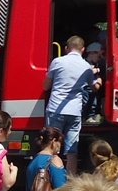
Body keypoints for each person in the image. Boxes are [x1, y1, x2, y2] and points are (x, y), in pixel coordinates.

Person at [38, 35, 93, 174]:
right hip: (75, 111)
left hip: (56, 108)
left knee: (51, 145)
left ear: (66, 48)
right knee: (72, 150)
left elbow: (46, 86)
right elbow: (92, 87)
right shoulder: (86, 66)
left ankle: (50, 176)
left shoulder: (57, 62)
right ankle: (70, 180)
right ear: (83, 49)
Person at [83, 41, 105, 124]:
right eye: (99, 56)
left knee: (93, 102)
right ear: (92, 53)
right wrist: (98, 70)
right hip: (85, 89)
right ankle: (85, 116)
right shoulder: (84, 63)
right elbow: (87, 72)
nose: (100, 58)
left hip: (92, 88)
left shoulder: (94, 64)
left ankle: (89, 116)